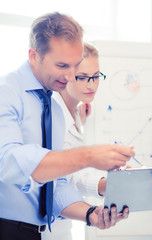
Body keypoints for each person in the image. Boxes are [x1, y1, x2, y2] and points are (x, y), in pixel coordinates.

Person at [0, 12, 134, 240]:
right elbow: (7, 161)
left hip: (38, 233)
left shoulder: (53, 107)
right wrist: (88, 156)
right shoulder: (6, 92)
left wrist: (91, 214)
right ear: (34, 56)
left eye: (75, 65)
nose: (71, 76)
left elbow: (54, 184)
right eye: (62, 65)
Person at [42, 43, 108, 240]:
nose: (91, 85)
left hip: (63, 226)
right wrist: (106, 185)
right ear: (66, 76)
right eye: (82, 78)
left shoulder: (76, 114)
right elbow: (68, 178)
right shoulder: (52, 118)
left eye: (96, 76)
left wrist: (80, 121)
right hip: (47, 228)